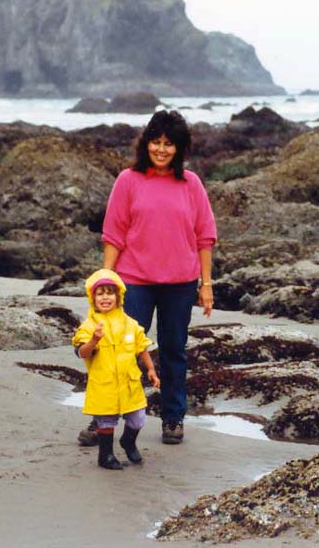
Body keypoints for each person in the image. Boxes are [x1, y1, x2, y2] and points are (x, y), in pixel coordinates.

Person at [79, 110, 217, 446]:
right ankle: (104, 420)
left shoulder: (191, 184)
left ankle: (173, 418)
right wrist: (105, 280)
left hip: (180, 283)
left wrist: (206, 284)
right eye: (156, 142)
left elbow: (205, 237)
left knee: (173, 351)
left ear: (179, 148)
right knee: (118, 351)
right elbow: (114, 234)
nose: (161, 149)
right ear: (146, 144)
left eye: (169, 144)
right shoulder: (128, 180)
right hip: (134, 281)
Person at [73, 268, 161, 470]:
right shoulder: (88, 326)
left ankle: (128, 441)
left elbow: (141, 347)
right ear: (92, 298)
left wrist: (151, 369)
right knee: (106, 420)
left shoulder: (130, 323)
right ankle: (105, 456)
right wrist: (94, 340)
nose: (105, 298)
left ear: (119, 296)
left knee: (138, 418)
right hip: (104, 383)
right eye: (100, 293)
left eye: (110, 293)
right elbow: (82, 353)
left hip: (130, 382)